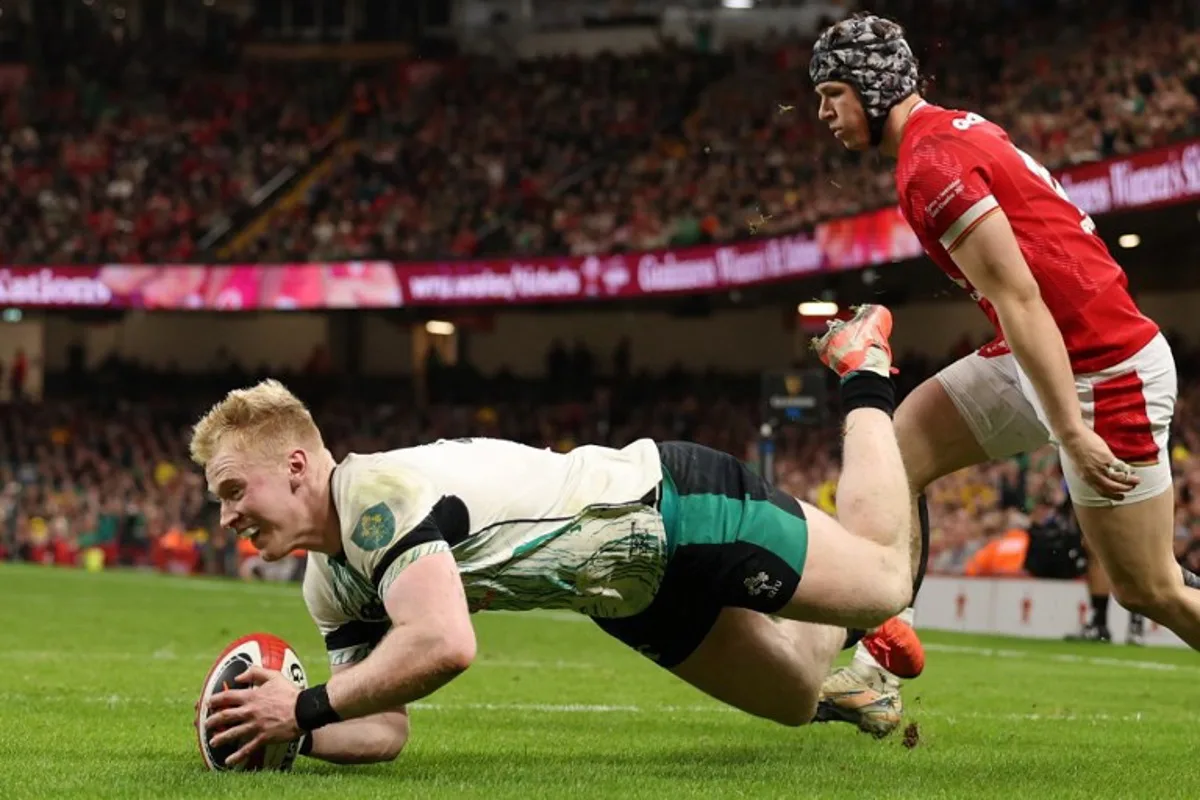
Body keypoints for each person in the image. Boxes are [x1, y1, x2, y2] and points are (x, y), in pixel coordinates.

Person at [196, 305, 924, 766]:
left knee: (886, 580)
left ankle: (865, 372)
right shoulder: (330, 582)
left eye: (234, 490)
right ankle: (852, 626)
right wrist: (293, 733)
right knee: (796, 698)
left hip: (672, 505)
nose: (227, 515)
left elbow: (445, 641)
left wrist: (303, 705)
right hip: (628, 597)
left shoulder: (372, 499)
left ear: (296, 467)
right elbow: (384, 727)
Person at [808, 12, 1197, 737]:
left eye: (832, 93)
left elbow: (1021, 296)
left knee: (1152, 590)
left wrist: (1070, 429)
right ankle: (878, 674)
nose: (823, 113)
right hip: (1045, 351)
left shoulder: (930, 165)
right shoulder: (942, 136)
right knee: (891, 456)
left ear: (873, 83)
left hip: (1103, 367)